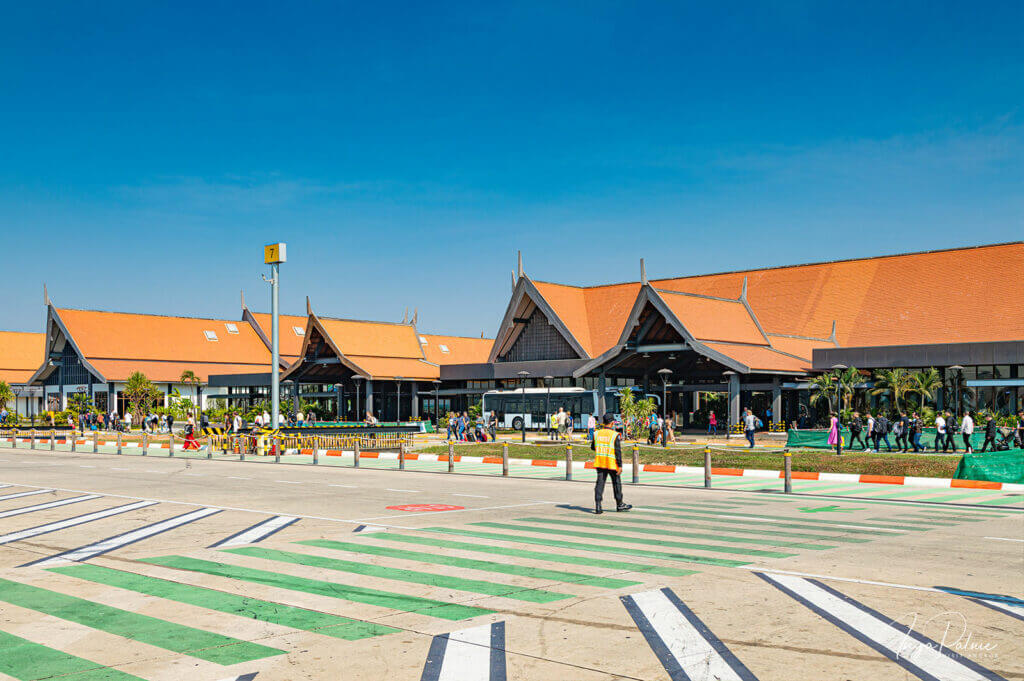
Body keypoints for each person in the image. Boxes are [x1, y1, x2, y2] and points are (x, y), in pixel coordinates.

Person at [590, 413, 631, 514]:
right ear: (612, 423)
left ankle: (598, 506)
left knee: (600, 484)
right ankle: (619, 504)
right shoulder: (614, 435)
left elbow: (593, 447)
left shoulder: (597, 433)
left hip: (600, 462)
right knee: (616, 484)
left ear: (603, 422)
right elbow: (618, 451)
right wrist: (620, 465)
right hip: (612, 463)